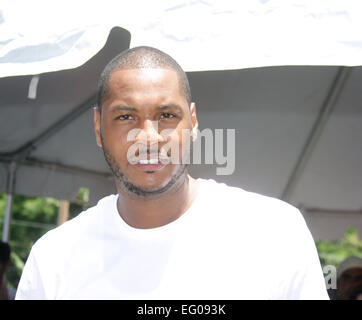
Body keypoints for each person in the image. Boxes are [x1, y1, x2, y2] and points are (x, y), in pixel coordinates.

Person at [16, 46, 329, 299]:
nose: (149, 137)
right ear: (98, 127)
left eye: (167, 115)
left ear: (193, 123)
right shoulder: (52, 260)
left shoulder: (275, 232)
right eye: (126, 116)